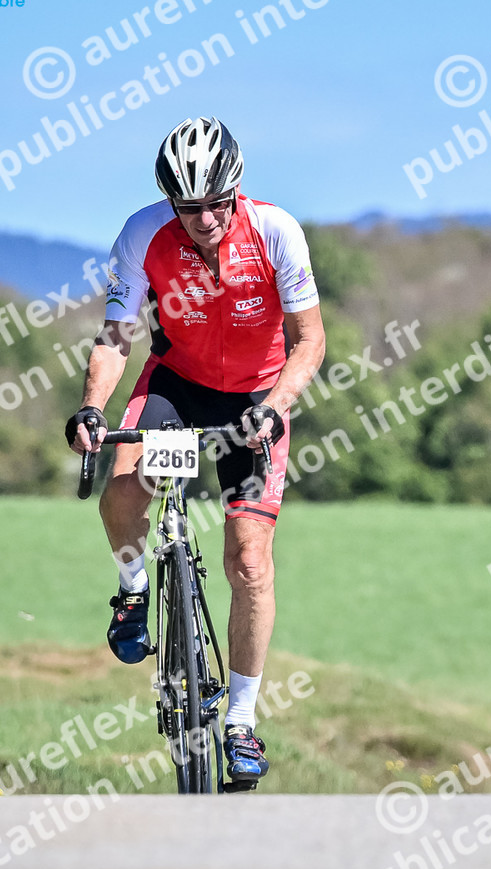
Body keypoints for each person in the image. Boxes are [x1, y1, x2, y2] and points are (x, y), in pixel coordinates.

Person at [65, 117, 325, 790]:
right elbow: (116, 336)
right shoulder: (142, 233)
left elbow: (310, 341)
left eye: (216, 203)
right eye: (188, 206)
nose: (204, 219)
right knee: (124, 493)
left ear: (236, 189)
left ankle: (240, 721)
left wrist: (276, 405)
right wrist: (92, 406)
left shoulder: (276, 231)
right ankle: (133, 589)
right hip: (176, 386)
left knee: (249, 560)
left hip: (257, 396)